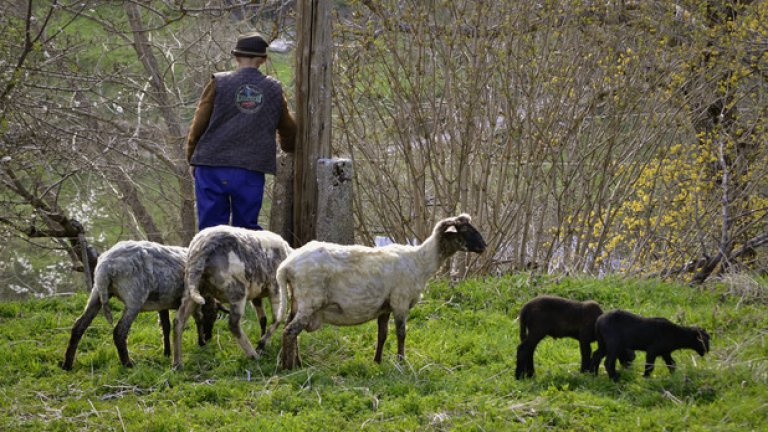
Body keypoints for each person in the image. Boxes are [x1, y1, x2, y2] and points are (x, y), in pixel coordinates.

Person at [186, 32, 297, 231]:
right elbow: (287, 127)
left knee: (210, 231)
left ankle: (209, 262)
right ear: (263, 60)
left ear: (236, 57)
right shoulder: (273, 89)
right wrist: (290, 147)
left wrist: (192, 156)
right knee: (246, 231)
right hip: (250, 168)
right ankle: (246, 262)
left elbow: (199, 122)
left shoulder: (218, 82)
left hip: (211, 164)